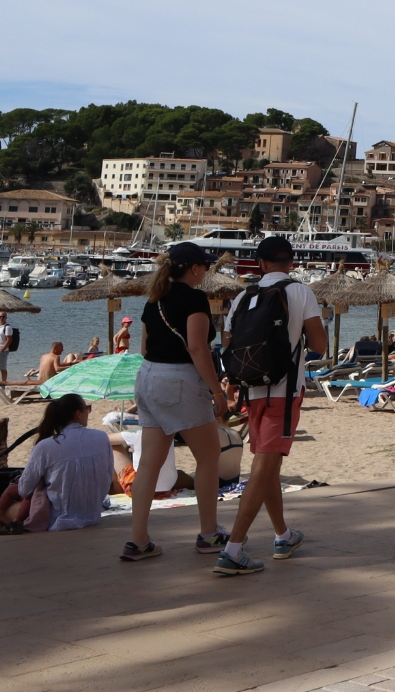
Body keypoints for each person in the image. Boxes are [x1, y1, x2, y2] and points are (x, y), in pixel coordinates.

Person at [217, 233, 326, 578]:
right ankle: (233, 549)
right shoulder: (300, 292)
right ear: (291, 262)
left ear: (261, 264)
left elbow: (227, 344)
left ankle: (283, 536)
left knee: (269, 465)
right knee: (264, 467)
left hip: (251, 391)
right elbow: (320, 345)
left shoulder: (242, 297)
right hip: (284, 389)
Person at [121, 241, 230, 563]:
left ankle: (138, 540)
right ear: (194, 268)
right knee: (208, 458)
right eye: (204, 266)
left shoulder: (154, 299)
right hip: (178, 379)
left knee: (149, 464)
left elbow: (144, 347)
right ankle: (208, 533)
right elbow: (197, 348)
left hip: (148, 376)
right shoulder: (194, 299)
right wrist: (217, 392)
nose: (206, 271)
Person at [0, 393, 113, 534]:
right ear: (78, 413)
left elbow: (24, 490)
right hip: (92, 516)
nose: (88, 412)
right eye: (87, 408)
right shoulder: (102, 438)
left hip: (56, 520)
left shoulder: (46, 446)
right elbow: (107, 478)